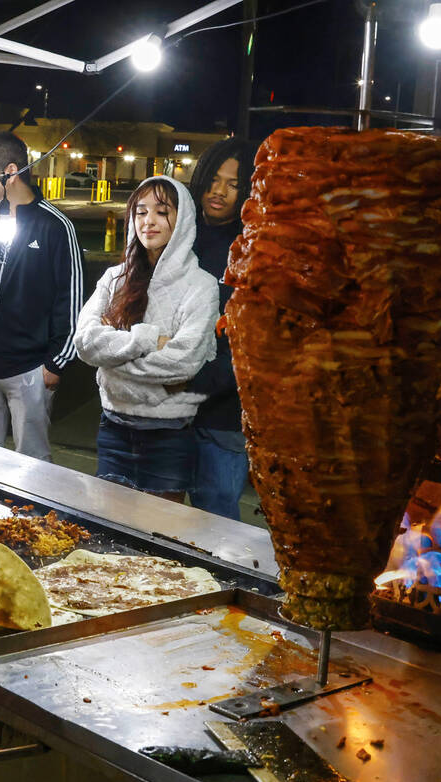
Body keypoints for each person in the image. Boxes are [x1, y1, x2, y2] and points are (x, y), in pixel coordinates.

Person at [73, 176, 218, 501]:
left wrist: (113, 362)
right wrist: (152, 340)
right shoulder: (115, 278)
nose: (148, 221)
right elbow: (85, 342)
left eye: (161, 211)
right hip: (113, 428)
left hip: (169, 435)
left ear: (183, 220)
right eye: (140, 212)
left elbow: (184, 363)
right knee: (109, 532)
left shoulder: (201, 286)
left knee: (161, 538)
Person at [0, 131, 83, 461]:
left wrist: (56, 363)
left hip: (30, 368)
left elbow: (71, 299)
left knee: (34, 466)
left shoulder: (55, 226)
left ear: (9, 171)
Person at [186, 137, 258, 519]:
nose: (219, 191)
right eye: (214, 179)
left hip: (223, 414)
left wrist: (202, 381)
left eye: (233, 184)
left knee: (214, 520)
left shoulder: (252, 248)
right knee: (152, 515)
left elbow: (253, 342)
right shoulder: (179, 232)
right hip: (169, 405)